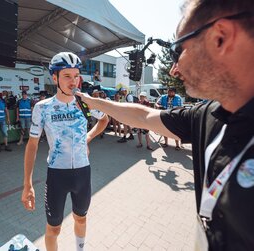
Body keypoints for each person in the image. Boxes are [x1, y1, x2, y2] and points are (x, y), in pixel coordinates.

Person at [76, 0, 254, 250]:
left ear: (220, 38)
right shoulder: (208, 115)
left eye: (177, 51)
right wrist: (93, 101)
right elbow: (143, 117)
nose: (173, 70)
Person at [21, 52, 108, 251]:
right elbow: (32, 145)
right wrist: (27, 184)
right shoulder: (42, 108)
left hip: (82, 173)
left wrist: (88, 137)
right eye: (67, 76)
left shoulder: (85, 102)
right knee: (53, 229)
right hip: (57, 176)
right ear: (54, 78)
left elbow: (104, 120)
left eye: (76, 75)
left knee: (81, 219)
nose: (73, 81)